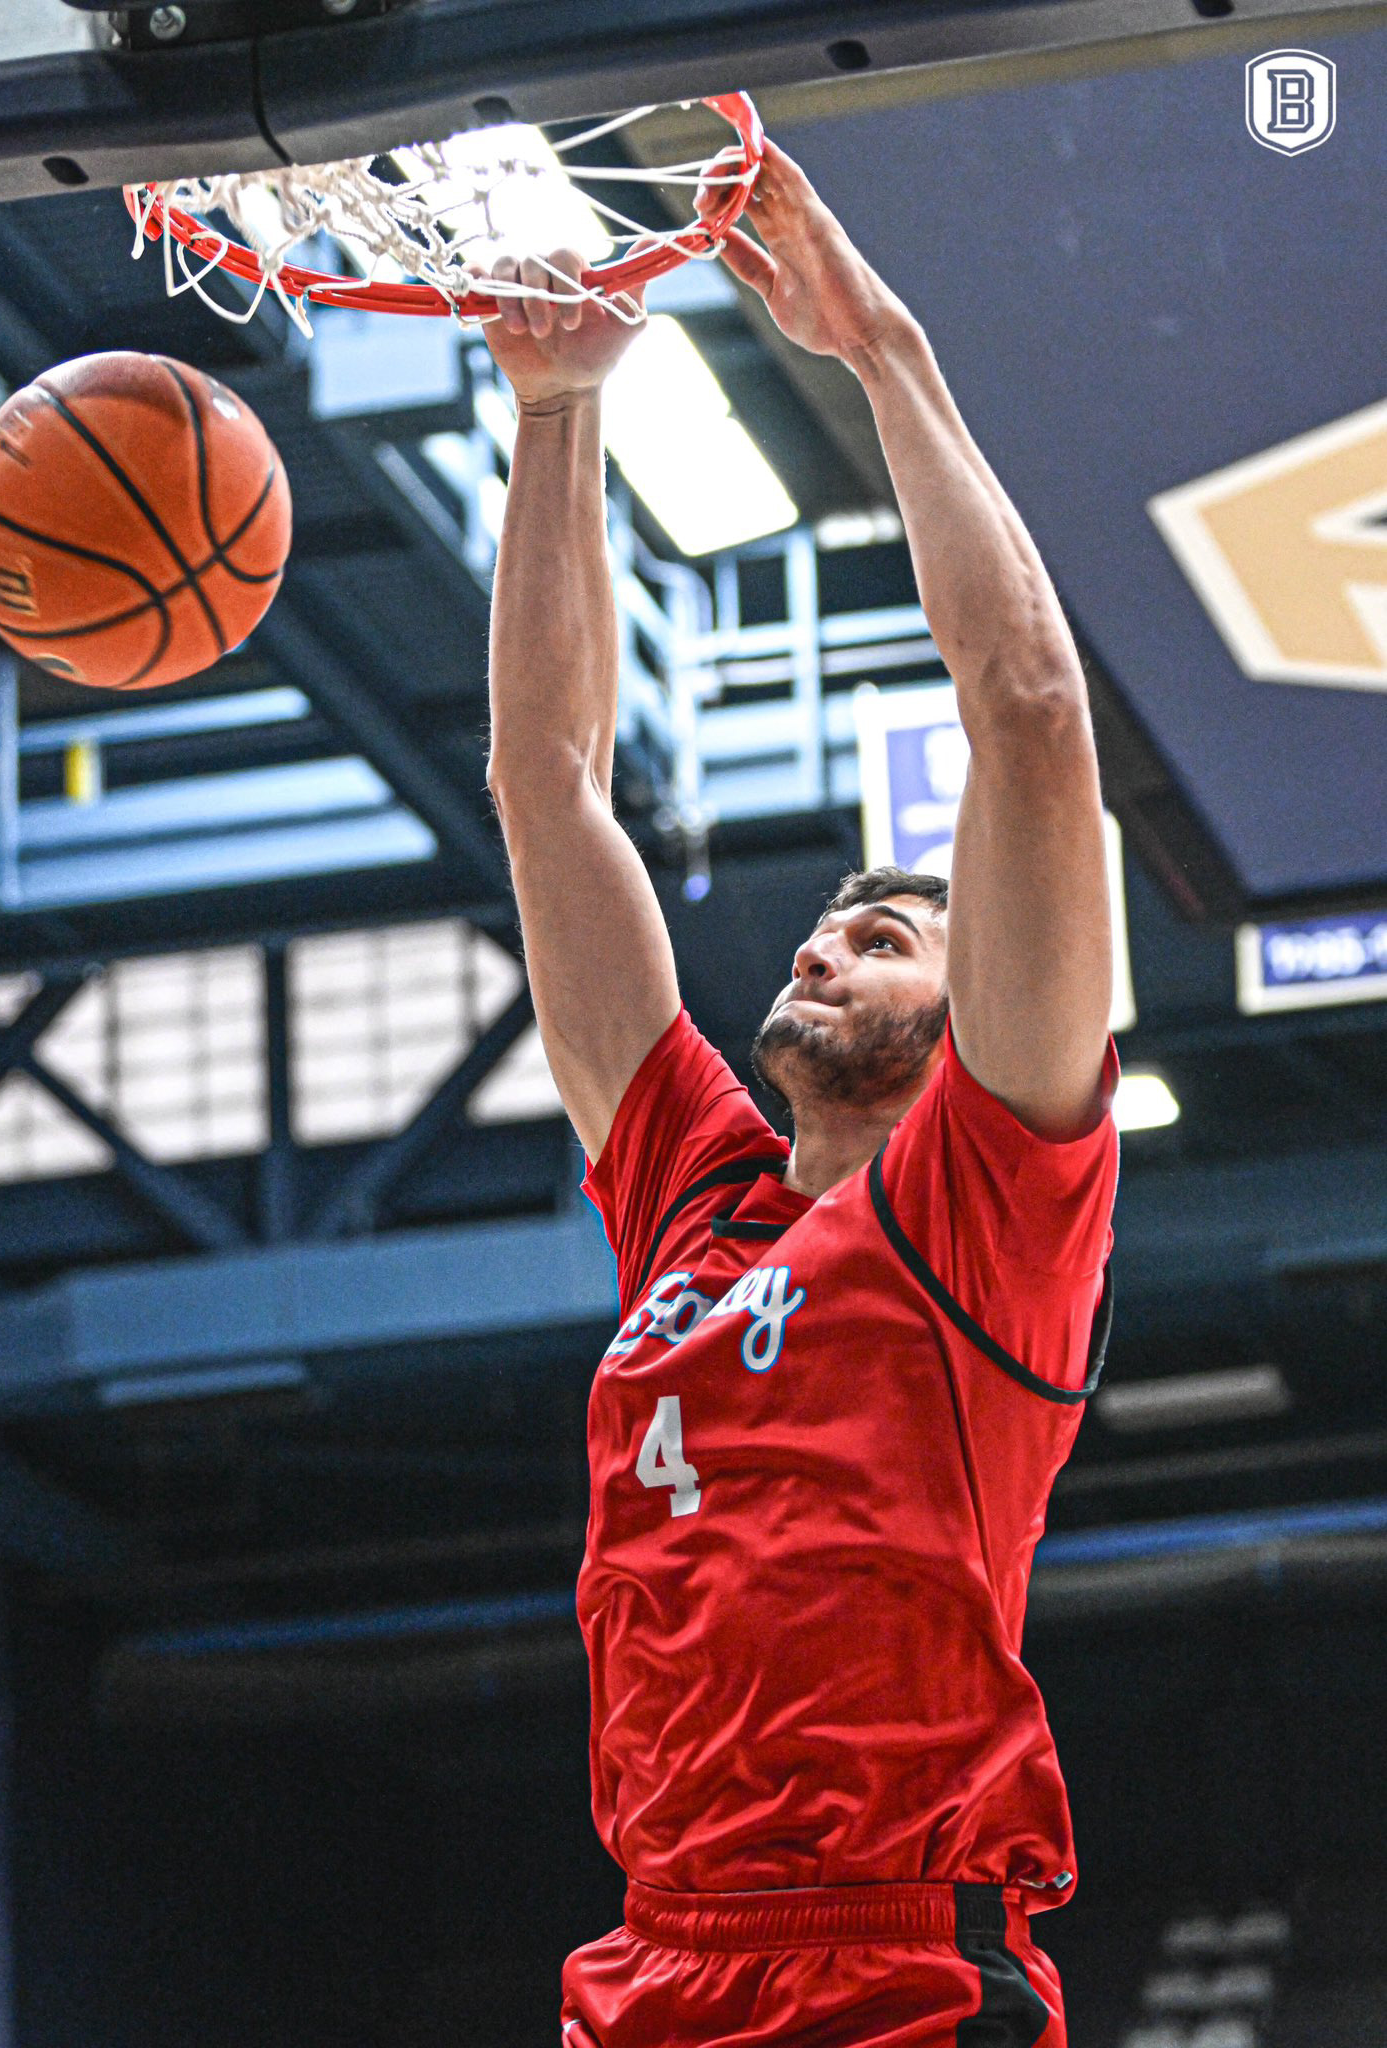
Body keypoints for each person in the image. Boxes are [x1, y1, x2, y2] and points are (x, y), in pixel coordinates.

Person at [482, 137, 1120, 2048]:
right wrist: (557, 411)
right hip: (653, 1953)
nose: (830, 941)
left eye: (888, 934)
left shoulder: (986, 1211)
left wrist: (882, 352)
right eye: (831, 923)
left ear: (976, 1007)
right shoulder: (695, 1187)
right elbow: (547, 781)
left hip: (890, 1963)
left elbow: (1026, 717)